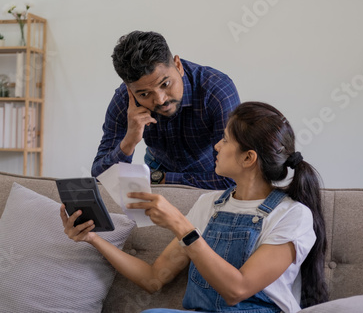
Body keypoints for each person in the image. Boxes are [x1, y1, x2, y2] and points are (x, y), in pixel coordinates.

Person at [62, 101, 328, 313]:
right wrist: (92, 238)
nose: (216, 146)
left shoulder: (293, 215)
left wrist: (181, 225)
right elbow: (154, 278)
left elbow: (238, 289)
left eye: (224, 140)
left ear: (248, 158)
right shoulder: (209, 204)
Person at [91, 30, 240, 190]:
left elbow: (232, 179)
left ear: (178, 65)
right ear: (130, 90)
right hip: (157, 173)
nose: (160, 100)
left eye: (165, 84)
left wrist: (162, 179)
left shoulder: (217, 91)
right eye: (145, 94)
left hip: (208, 176)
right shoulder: (124, 100)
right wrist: (129, 142)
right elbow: (100, 177)